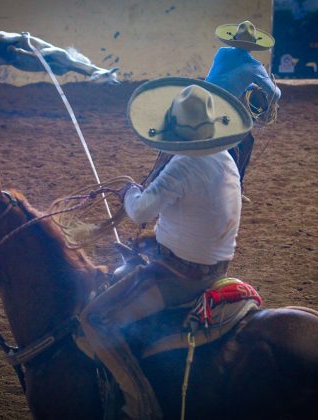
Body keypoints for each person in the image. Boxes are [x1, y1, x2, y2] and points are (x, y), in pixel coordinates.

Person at [79, 77, 251, 419]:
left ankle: (140, 405)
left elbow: (141, 210)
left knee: (95, 319)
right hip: (216, 266)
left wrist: (129, 190)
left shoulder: (183, 164)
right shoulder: (226, 156)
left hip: (180, 275)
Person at [206, 20, 281, 200]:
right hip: (224, 109)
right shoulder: (254, 66)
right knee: (245, 142)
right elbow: (275, 94)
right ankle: (236, 188)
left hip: (203, 98)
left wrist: (247, 85)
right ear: (254, 44)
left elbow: (223, 79)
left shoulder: (221, 53)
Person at [0, 31, 118, 83]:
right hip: (20, 45)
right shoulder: (61, 54)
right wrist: (23, 52)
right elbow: (41, 53)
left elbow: (86, 69)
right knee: (2, 38)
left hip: (18, 57)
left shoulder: (64, 66)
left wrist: (100, 74)